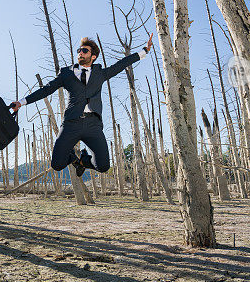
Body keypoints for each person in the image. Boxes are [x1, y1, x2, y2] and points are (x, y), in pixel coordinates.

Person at [10, 34, 153, 177]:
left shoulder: (100, 74)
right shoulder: (66, 73)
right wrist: (21, 102)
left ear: (93, 56)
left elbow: (121, 64)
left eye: (85, 51)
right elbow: (46, 89)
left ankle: (84, 161)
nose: (80, 53)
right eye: (79, 50)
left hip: (93, 125)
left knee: (103, 166)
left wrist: (144, 51)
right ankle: (72, 157)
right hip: (71, 123)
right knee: (57, 164)